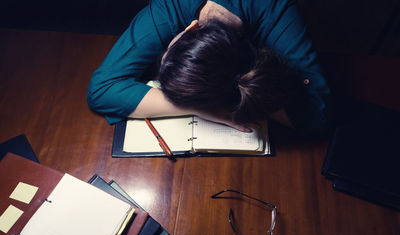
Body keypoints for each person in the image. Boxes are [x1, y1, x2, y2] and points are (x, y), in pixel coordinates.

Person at [87, 0, 332, 136]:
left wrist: (232, 97)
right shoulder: (171, 7)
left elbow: (316, 117)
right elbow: (101, 90)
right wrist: (197, 108)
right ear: (191, 27)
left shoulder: (275, 11)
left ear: (192, 27)